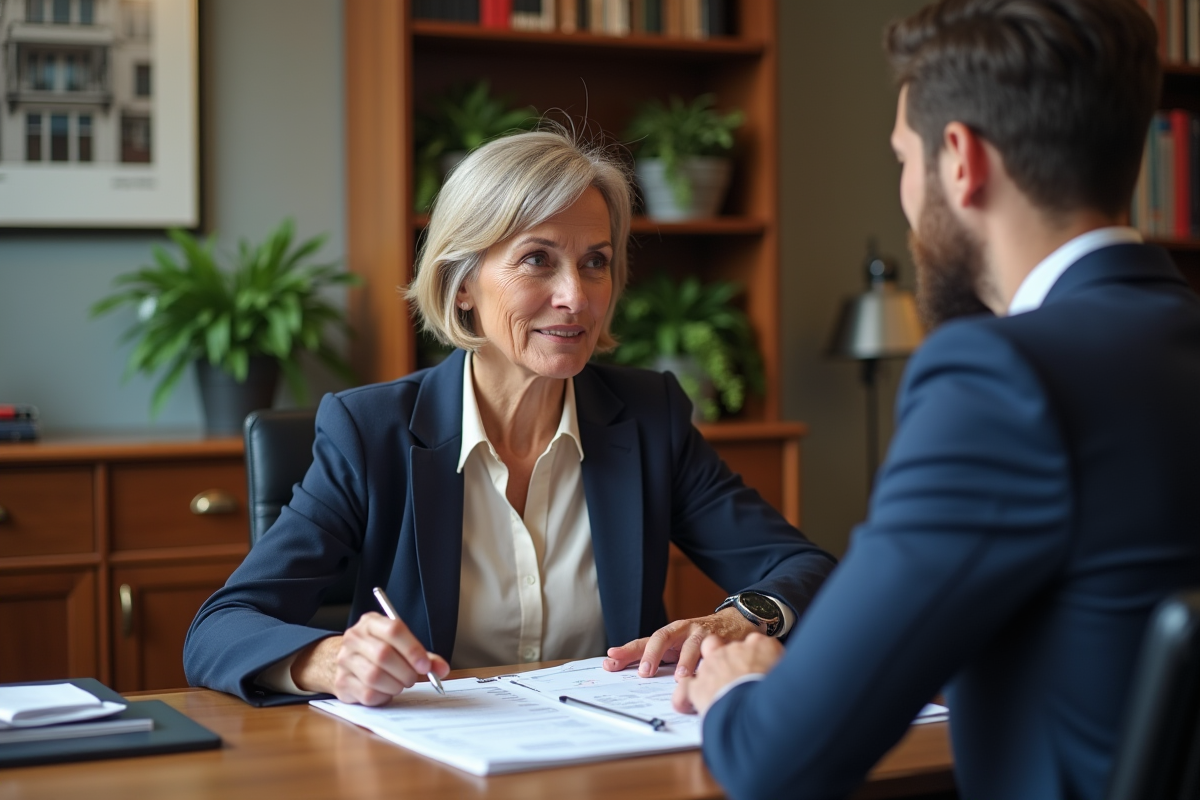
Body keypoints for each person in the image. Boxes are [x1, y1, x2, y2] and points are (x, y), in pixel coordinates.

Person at [675, 1, 1200, 798]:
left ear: (960, 159)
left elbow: (778, 761)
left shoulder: (1000, 380)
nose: (905, 192)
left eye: (902, 159)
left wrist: (739, 688)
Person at [183, 128, 835, 707]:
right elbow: (221, 627)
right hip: (426, 773)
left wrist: (744, 616)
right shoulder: (370, 431)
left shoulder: (647, 417)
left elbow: (806, 569)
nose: (575, 296)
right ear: (462, 282)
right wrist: (325, 660)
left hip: (611, 763)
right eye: (537, 259)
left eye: (595, 262)